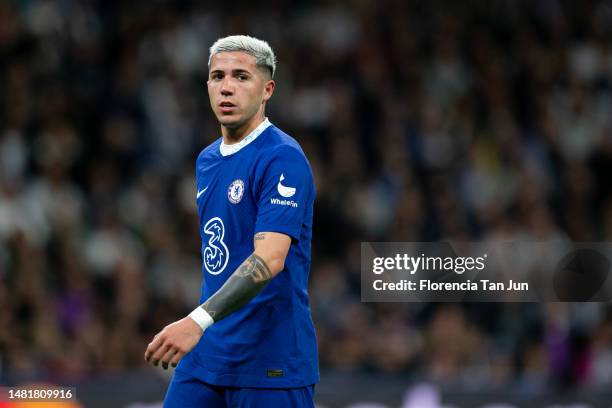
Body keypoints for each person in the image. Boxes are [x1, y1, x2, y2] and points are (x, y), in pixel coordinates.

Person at [144, 35, 319, 407]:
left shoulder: (282, 158)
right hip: (207, 355)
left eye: (241, 77)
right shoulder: (207, 160)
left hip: (269, 361)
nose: (226, 87)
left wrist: (196, 321)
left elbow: (270, 258)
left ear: (267, 89)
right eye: (217, 76)